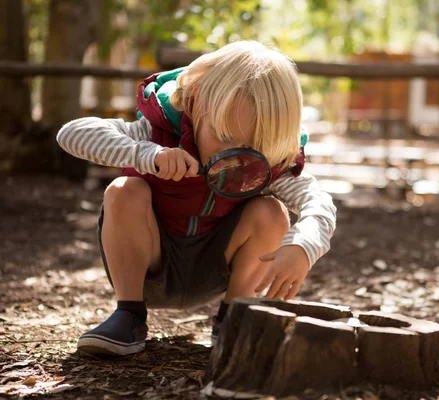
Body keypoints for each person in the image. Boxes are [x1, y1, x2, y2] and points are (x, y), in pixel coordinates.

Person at [56, 40, 336, 356]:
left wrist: (303, 246)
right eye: (224, 137)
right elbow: (72, 134)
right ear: (198, 103)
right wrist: (149, 154)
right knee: (124, 191)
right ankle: (128, 315)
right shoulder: (158, 132)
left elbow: (318, 199)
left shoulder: (269, 161)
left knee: (271, 212)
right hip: (149, 264)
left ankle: (235, 316)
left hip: (215, 268)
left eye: (251, 148)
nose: (232, 156)